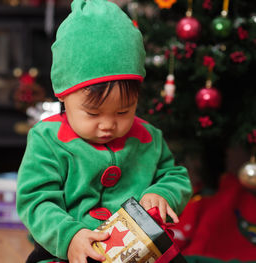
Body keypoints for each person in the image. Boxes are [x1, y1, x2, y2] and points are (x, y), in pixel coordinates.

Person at [16, 0, 192, 262]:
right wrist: (69, 237)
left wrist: (162, 193)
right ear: (63, 96)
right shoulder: (47, 139)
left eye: (123, 111)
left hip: (139, 248)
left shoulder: (148, 137)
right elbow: (37, 201)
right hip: (69, 248)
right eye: (93, 113)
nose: (108, 124)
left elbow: (175, 175)